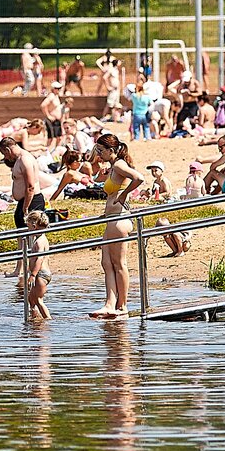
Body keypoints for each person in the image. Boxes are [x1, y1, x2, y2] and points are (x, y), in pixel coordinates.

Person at [88, 132, 144, 319]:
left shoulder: (120, 164)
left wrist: (123, 194)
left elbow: (139, 178)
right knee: (106, 263)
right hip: (111, 218)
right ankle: (109, 303)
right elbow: (95, 179)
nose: (99, 154)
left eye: (101, 150)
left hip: (120, 218)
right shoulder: (112, 167)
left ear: (111, 150)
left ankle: (122, 305)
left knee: (119, 264)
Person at [0, 135, 43, 228]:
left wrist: (26, 207)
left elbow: (30, 186)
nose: (6, 157)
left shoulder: (24, 159)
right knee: (22, 233)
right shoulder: (19, 159)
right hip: (25, 201)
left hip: (32, 201)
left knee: (33, 234)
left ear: (8, 150)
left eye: (4, 154)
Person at [23, 209, 52, 320]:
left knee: (39, 300)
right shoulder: (39, 238)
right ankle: (34, 316)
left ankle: (48, 320)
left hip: (41, 274)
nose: (28, 229)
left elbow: (39, 258)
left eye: (29, 226)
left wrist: (33, 275)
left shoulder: (40, 241)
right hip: (40, 274)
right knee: (31, 298)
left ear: (34, 226)